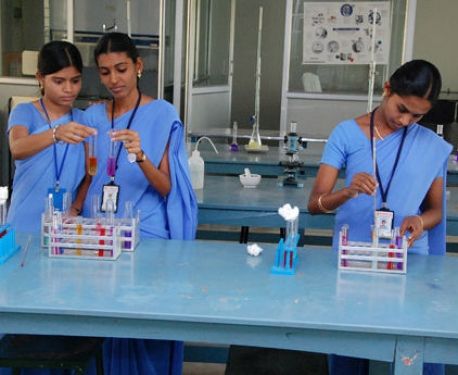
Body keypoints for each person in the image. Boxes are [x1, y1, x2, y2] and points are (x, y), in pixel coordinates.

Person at [308, 60, 452, 375]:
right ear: (387, 89)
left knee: (414, 345)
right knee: (349, 347)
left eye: (417, 115)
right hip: (354, 258)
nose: (405, 120)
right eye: (401, 108)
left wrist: (419, 222)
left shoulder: (428, 146)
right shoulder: (346, 134)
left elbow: (436, 212)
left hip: (408, 258)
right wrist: (345, 193)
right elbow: (316, 203)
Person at [81, 32, 197, 375]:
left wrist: (140, 154)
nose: (114, 80)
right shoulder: (92, 118)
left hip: (147, 231)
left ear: (138, 66)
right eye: (105, 72)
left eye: (121, 69)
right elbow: (87, 178)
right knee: (104, 323)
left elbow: (166, 188)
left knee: (146, 324)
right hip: (101, 234)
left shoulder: (162, 114)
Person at [7, 40, 95, 233]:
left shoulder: (83, 120)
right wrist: (56, 133)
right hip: (23, 222)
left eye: (75, 80)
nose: (68, 89)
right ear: (40, 78)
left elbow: (90, 174)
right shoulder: (24, 112)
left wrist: (76, 208)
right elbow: (17, 148)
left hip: (63, 227)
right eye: (59, 81)